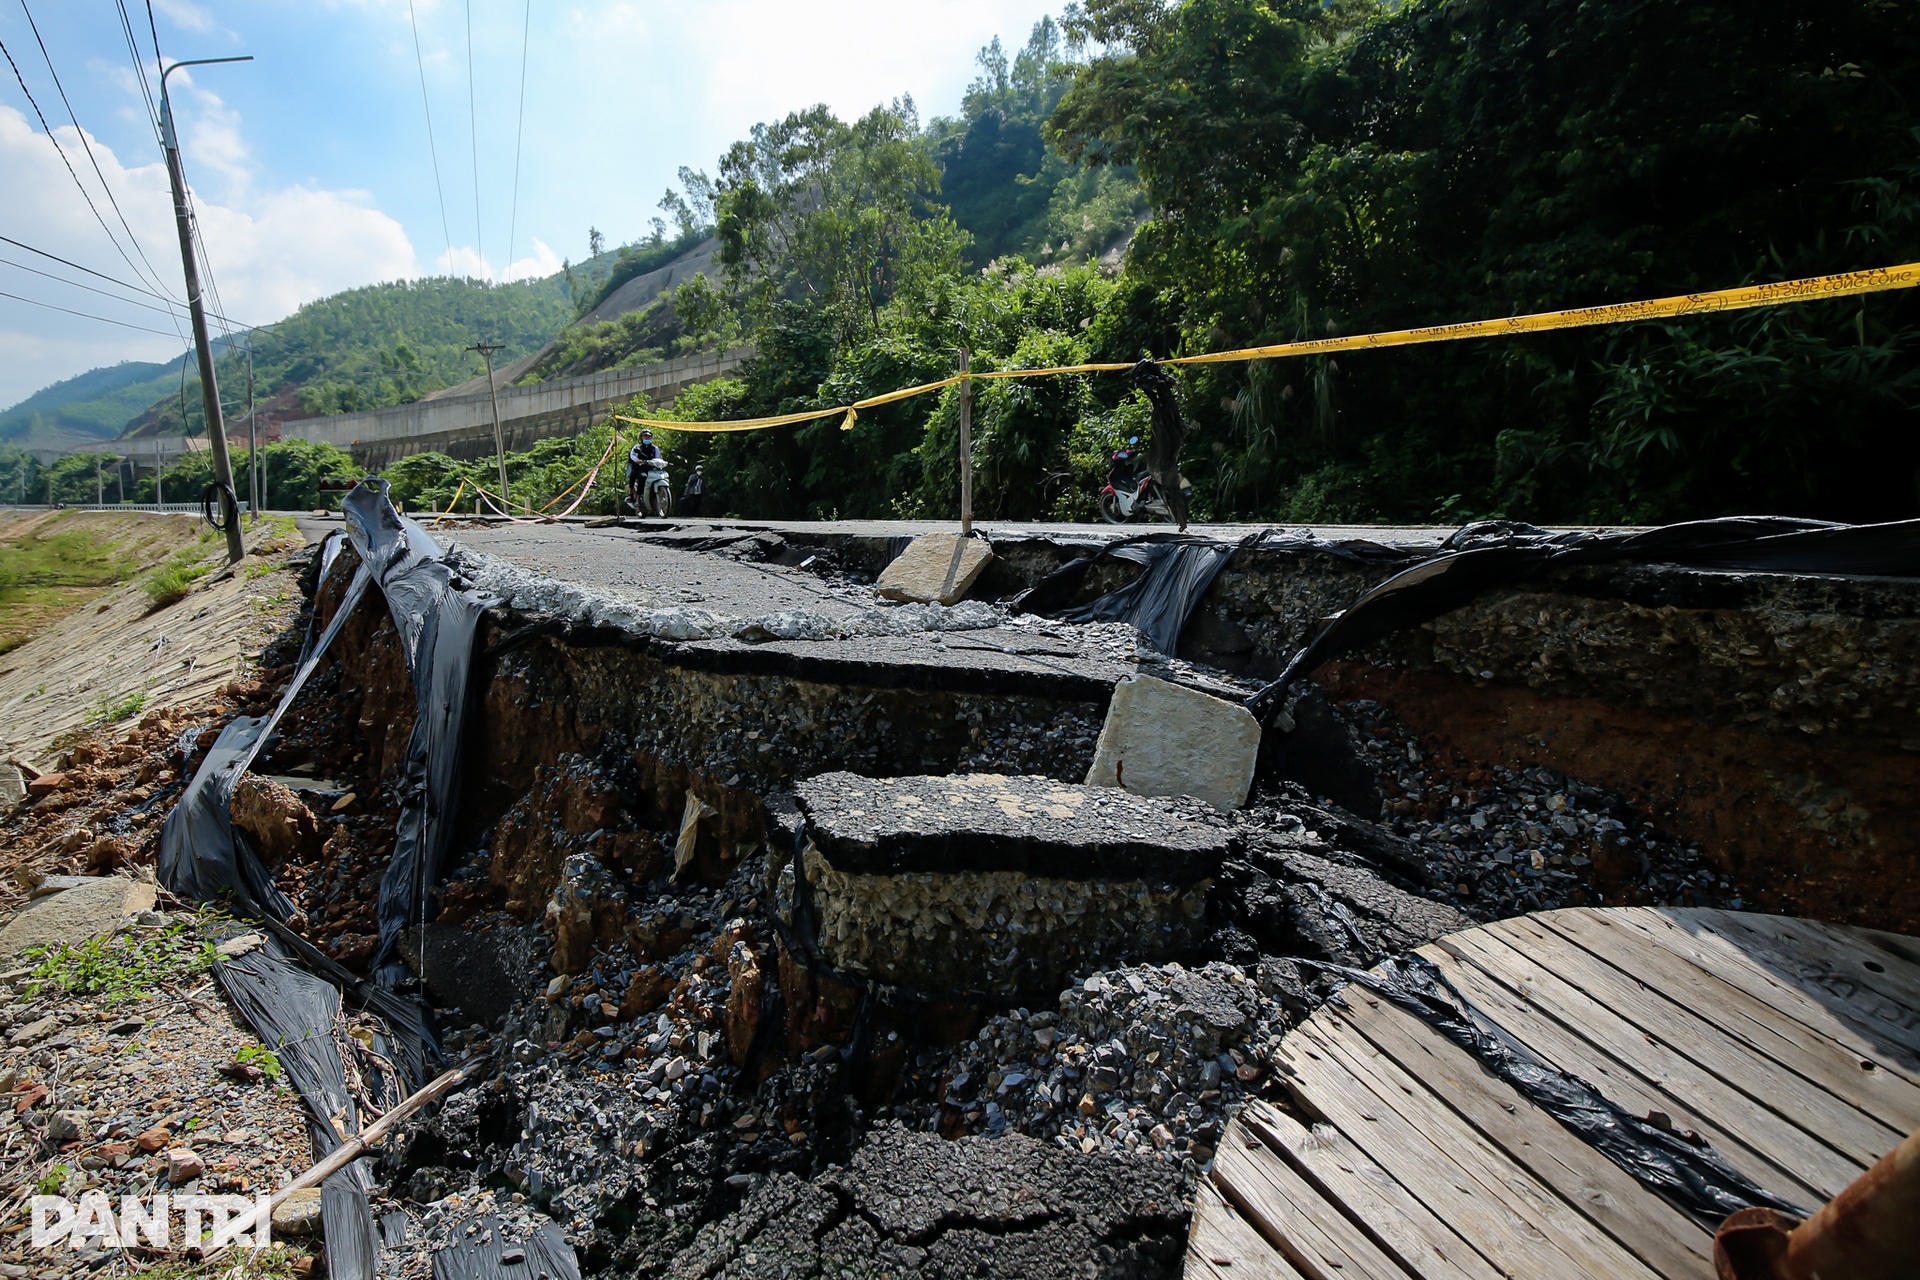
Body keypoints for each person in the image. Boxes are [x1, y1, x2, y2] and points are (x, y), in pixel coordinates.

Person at [1129, 360, 1190, 530]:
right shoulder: (1166, 416)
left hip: (1168, 437)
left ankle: (1181, 521)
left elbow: (1160, 402)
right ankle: (1181, 522)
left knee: (1161, 404)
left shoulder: (1165, 468)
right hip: (1170, 437)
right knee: (1162, 403)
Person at [626, 429, 661, 513]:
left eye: (649, 436)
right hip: (639, 467)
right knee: (641, 476)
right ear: (641, 437)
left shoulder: (655, 448)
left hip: (650, 468)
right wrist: (637, 460)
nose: (647, 438)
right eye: (645, 436)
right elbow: (633, 455)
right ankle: (635, 497)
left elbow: (658, 458)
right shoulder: (637, 447)